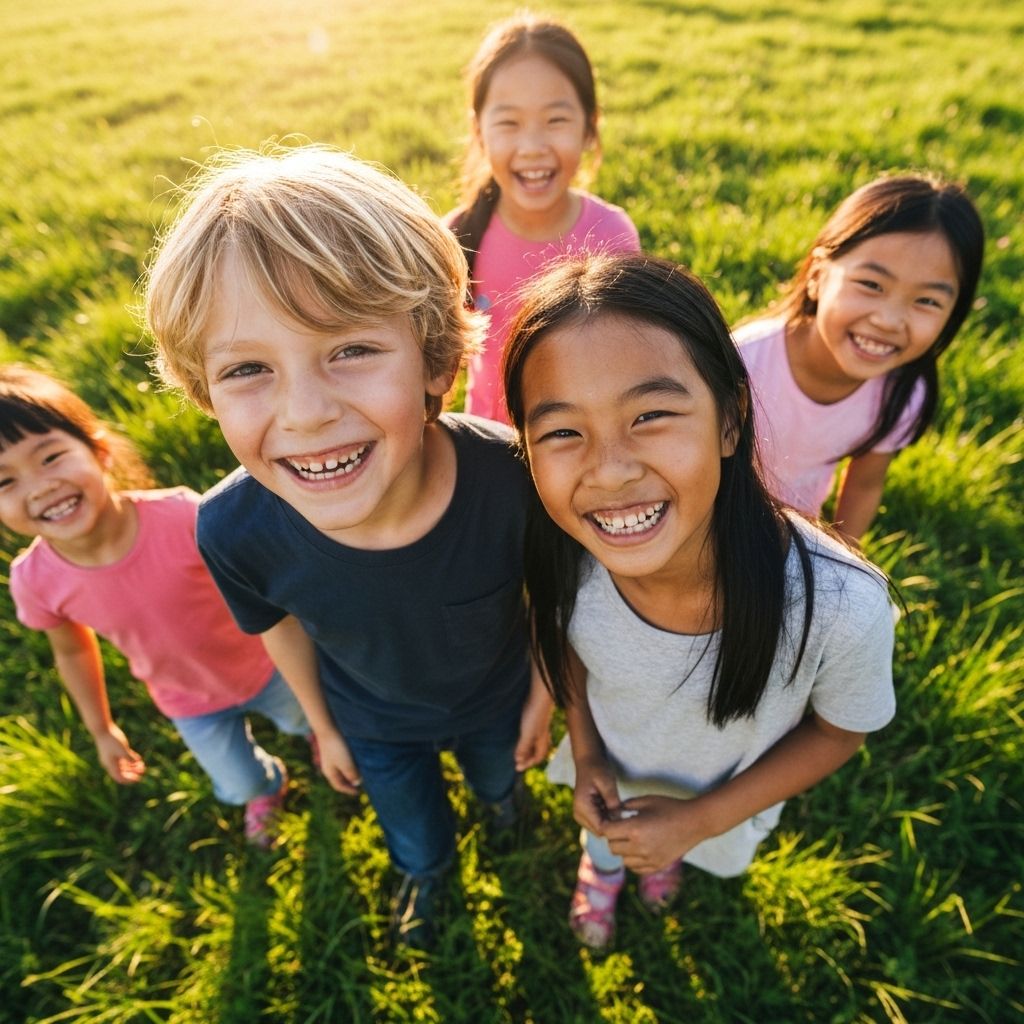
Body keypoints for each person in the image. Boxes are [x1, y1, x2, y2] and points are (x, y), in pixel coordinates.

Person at [144, 144, 552, 949]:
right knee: (413, 831)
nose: (304, 413)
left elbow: (555, 597)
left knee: (500, 776)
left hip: (500, 698)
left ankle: (504, 807)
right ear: (203, 389)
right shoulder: (232, 529)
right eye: (249, 369)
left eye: (351, 350)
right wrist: (325, 726)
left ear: (436, 359)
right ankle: (430, 877)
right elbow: (278, 629)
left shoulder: (514, 480)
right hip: (372, 720)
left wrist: (543, 694)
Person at [502, 252, 897, 949]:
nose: (610, 469)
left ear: (730, 420)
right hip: (611, 774)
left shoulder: (842, 608)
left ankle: (666, 861)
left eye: (650, 414)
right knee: (608, 839)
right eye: (563, 431)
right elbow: (564, 639)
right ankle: (603, 874)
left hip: (722, 794)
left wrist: (701, 820)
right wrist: (587, 751)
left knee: (665, 842)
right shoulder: (565, 551)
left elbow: (839, 733)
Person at [1, 365, 309, 848]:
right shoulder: (34, 580)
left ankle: (320, 738)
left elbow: (266, 583)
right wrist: (101, 729)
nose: (39, 487)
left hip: (267, 665)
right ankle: (267, 787)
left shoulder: (184, 516)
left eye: (51, 457)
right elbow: (73, 652)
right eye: (5, 482)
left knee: (307, 719)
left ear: (99, 452)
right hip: (187, 700)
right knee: (238, 782)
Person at [733, 173, 984, 541]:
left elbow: (865, 485)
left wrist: (844, 561)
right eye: (871, 285)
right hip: (714, 518)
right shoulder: (745, 362)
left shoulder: (901, 394)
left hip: (796, 533)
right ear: (818, 275)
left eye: (927, 301)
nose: (888, 320)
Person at [446, 11, 640, 423]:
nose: (532, 146)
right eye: (509, 123)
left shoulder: (611, 236)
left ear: (590, 127)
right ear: (478, 131)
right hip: (491, 443)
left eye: (555, 120)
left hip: (578, 442)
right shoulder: (457, 237)